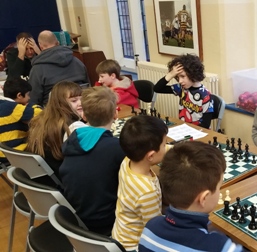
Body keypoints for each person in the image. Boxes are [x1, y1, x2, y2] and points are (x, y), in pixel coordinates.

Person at [138, 141, 257, 252]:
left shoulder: (150, 228)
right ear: (203, 199)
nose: (220, 191)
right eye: (219, 187)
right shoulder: (218, 247)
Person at [59, 86, 125, 235]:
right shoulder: (116, 147)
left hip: (77, 218)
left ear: (84, 116)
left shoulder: (73, 139)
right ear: (115, 114)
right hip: (106, 222)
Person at [111, 116, 168, 251]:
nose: (166, 147)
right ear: (151, 156)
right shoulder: (147, 192)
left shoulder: (127, 161)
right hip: (133, 246)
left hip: (120, 235)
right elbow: (156, 231)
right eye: (165, 145)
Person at [26, 81, 84, 177]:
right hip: (62, 176)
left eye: (82, 99)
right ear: (60, 104)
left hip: (43, 175)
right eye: (74, 101)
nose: (80, 103)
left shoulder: (43, 119)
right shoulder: (69, 126)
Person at [28, 30, 89, 106]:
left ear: (40, 46)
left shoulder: (37, 69)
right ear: (57, 43)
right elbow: (88, 87)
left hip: (54, 112)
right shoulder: (77, 61)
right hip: (81, 107)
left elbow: (33, 100)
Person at [154, 54, 213, 128]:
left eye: (182, 76)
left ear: (193, 74)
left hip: (198, 131)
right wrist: (171, 74)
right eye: (177, 77)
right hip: (184, 128)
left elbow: (205, 125)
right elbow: (157, 89)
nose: (180, 81)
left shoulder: (205, 95)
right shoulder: (181, 88)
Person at [0, 78, 42, 162]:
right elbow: (41, 113)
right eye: (28, 95)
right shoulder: (14, 108)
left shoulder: (2, 104)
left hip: (4, 151)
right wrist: (31, 105)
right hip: (16, 152)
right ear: (19, 95)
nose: (29, 98)